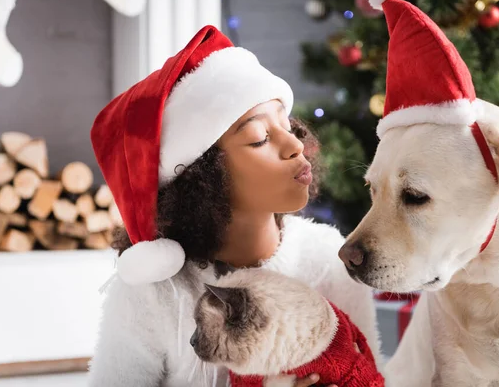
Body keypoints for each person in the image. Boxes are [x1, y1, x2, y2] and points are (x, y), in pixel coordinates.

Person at [87, 25, 381, 387]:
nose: (295, 145)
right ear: (203, 175)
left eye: (288, 124)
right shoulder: (154, 290)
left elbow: (369, 370)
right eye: (259, 138)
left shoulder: (327, 259)